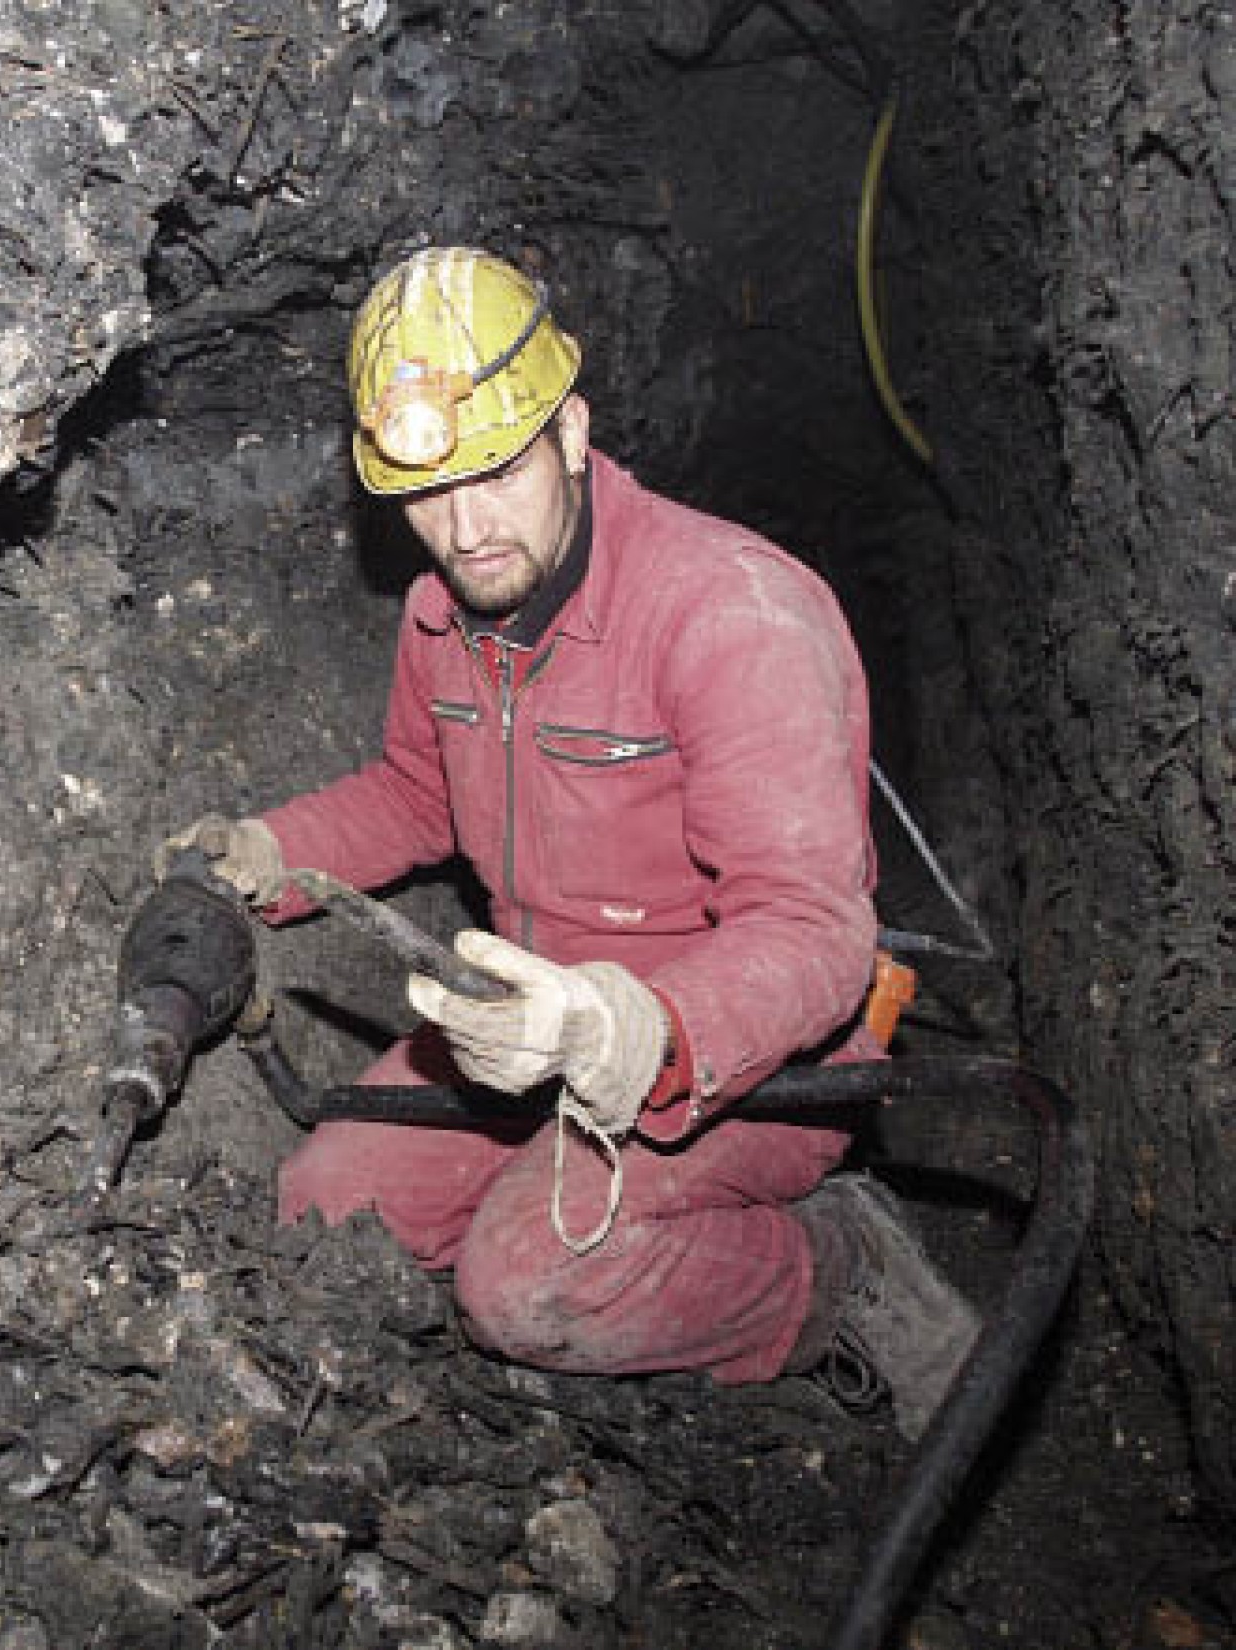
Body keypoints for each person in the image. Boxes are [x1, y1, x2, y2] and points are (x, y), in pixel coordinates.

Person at [161, 246, 977, 1439]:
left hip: (746, 1062)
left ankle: (835, 1268)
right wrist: (266, 853)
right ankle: (597, 1243)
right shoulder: (447, 616)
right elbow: (415, 796)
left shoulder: (730, 616)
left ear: (572, 431)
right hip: (532, 1032)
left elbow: (812, 932)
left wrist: (621, 1028)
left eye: (496, 470)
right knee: (321, 1218)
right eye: (426, 492)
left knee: (529, 1284)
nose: (466, 526)